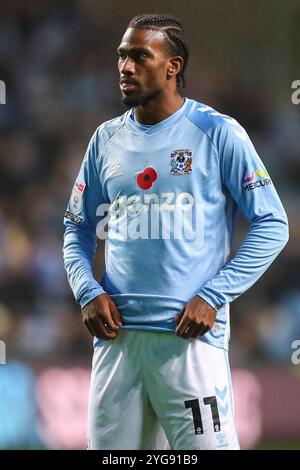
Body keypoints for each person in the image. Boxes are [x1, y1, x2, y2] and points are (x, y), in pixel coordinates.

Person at [63, 13, 289, 450]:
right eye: (121, 57)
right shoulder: (105, 140)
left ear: (174, 66)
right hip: (117, 343)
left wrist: (214, 295)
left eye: (138, 56)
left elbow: (272, 224)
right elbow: (76, 226)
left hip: (189, 343)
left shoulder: (218, 132)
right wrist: (87, 290)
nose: (124, 68)